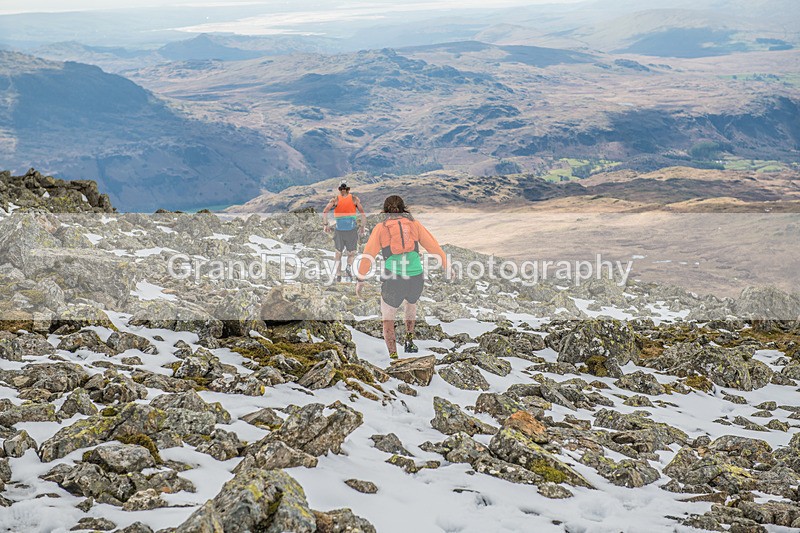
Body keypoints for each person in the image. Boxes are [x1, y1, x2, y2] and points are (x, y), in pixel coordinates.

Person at [355, 195, 450, 359]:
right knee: (411, 304)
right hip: (416, 277)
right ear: (403, 208)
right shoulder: (414, 224)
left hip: (394, 279)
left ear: (385, 211)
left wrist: (361, 279)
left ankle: (393, 357)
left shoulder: (381, 228)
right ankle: (409, 340)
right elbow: (433, 246)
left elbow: (367, 255)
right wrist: (446, 266)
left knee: (388, 318)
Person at [322, 182, 367, 281]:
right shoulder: (354, 199)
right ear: (348, 189)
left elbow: (325, 211)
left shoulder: (335, 199)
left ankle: (338, 275)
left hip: (339, 230)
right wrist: (362, 227)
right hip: (351, 230)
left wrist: (326, 224)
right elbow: (363, 214)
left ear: (339, 189)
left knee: (338, 253)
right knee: (351, 253)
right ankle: (349, 266)